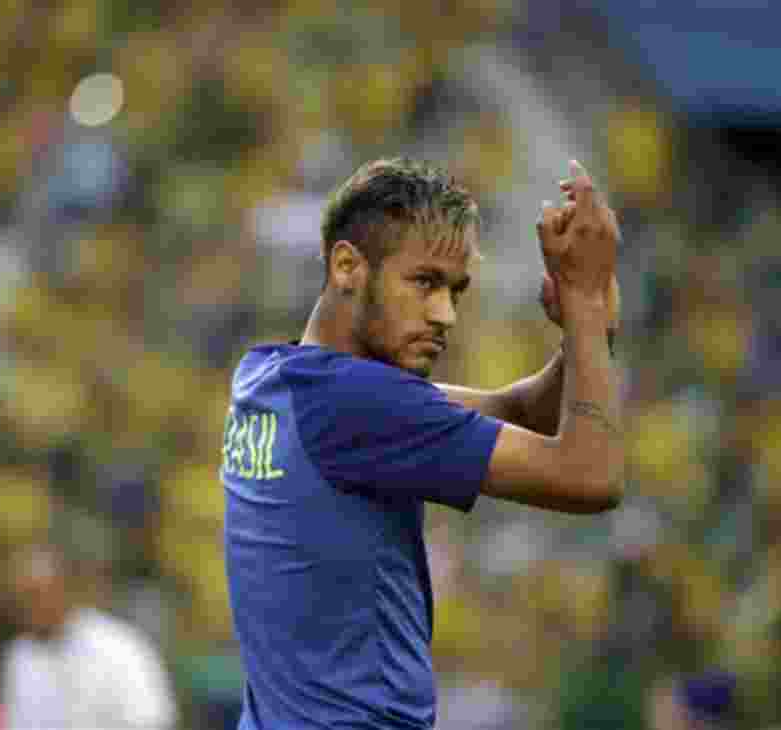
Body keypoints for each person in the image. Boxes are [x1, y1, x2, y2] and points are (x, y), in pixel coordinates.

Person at [222, 157, 624, 729]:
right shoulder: (356, 403)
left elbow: (519, 411)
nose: (445, 314)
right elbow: (592, 478)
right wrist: (583, 306)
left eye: (456, 291)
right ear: (346, 265)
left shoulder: (270, 377)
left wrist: (588, 333)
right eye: (425, 282)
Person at [0, 543, 179, 730]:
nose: (29, 608)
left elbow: (153, 722)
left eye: (36, 596)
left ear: (64, 590)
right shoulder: (19, 656)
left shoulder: (119, 647)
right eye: (22, 599)